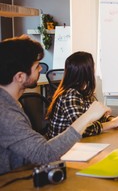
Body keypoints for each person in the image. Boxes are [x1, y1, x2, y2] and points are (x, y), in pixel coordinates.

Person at [0, 35, 110, 175]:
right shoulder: (5, 113)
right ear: (20, 76)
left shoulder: (10, 103)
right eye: (36, 66)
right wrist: (87, 117)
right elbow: (44, 154)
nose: (41, 69)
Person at [46, 51, 118, 139]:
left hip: (77, 145)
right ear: (86, 72)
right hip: (63, 151)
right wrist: (113, 123)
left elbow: (98, 117)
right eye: (93, 67)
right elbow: (82, 129)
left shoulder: (83, 92)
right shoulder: (70, 95)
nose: (94, 70)